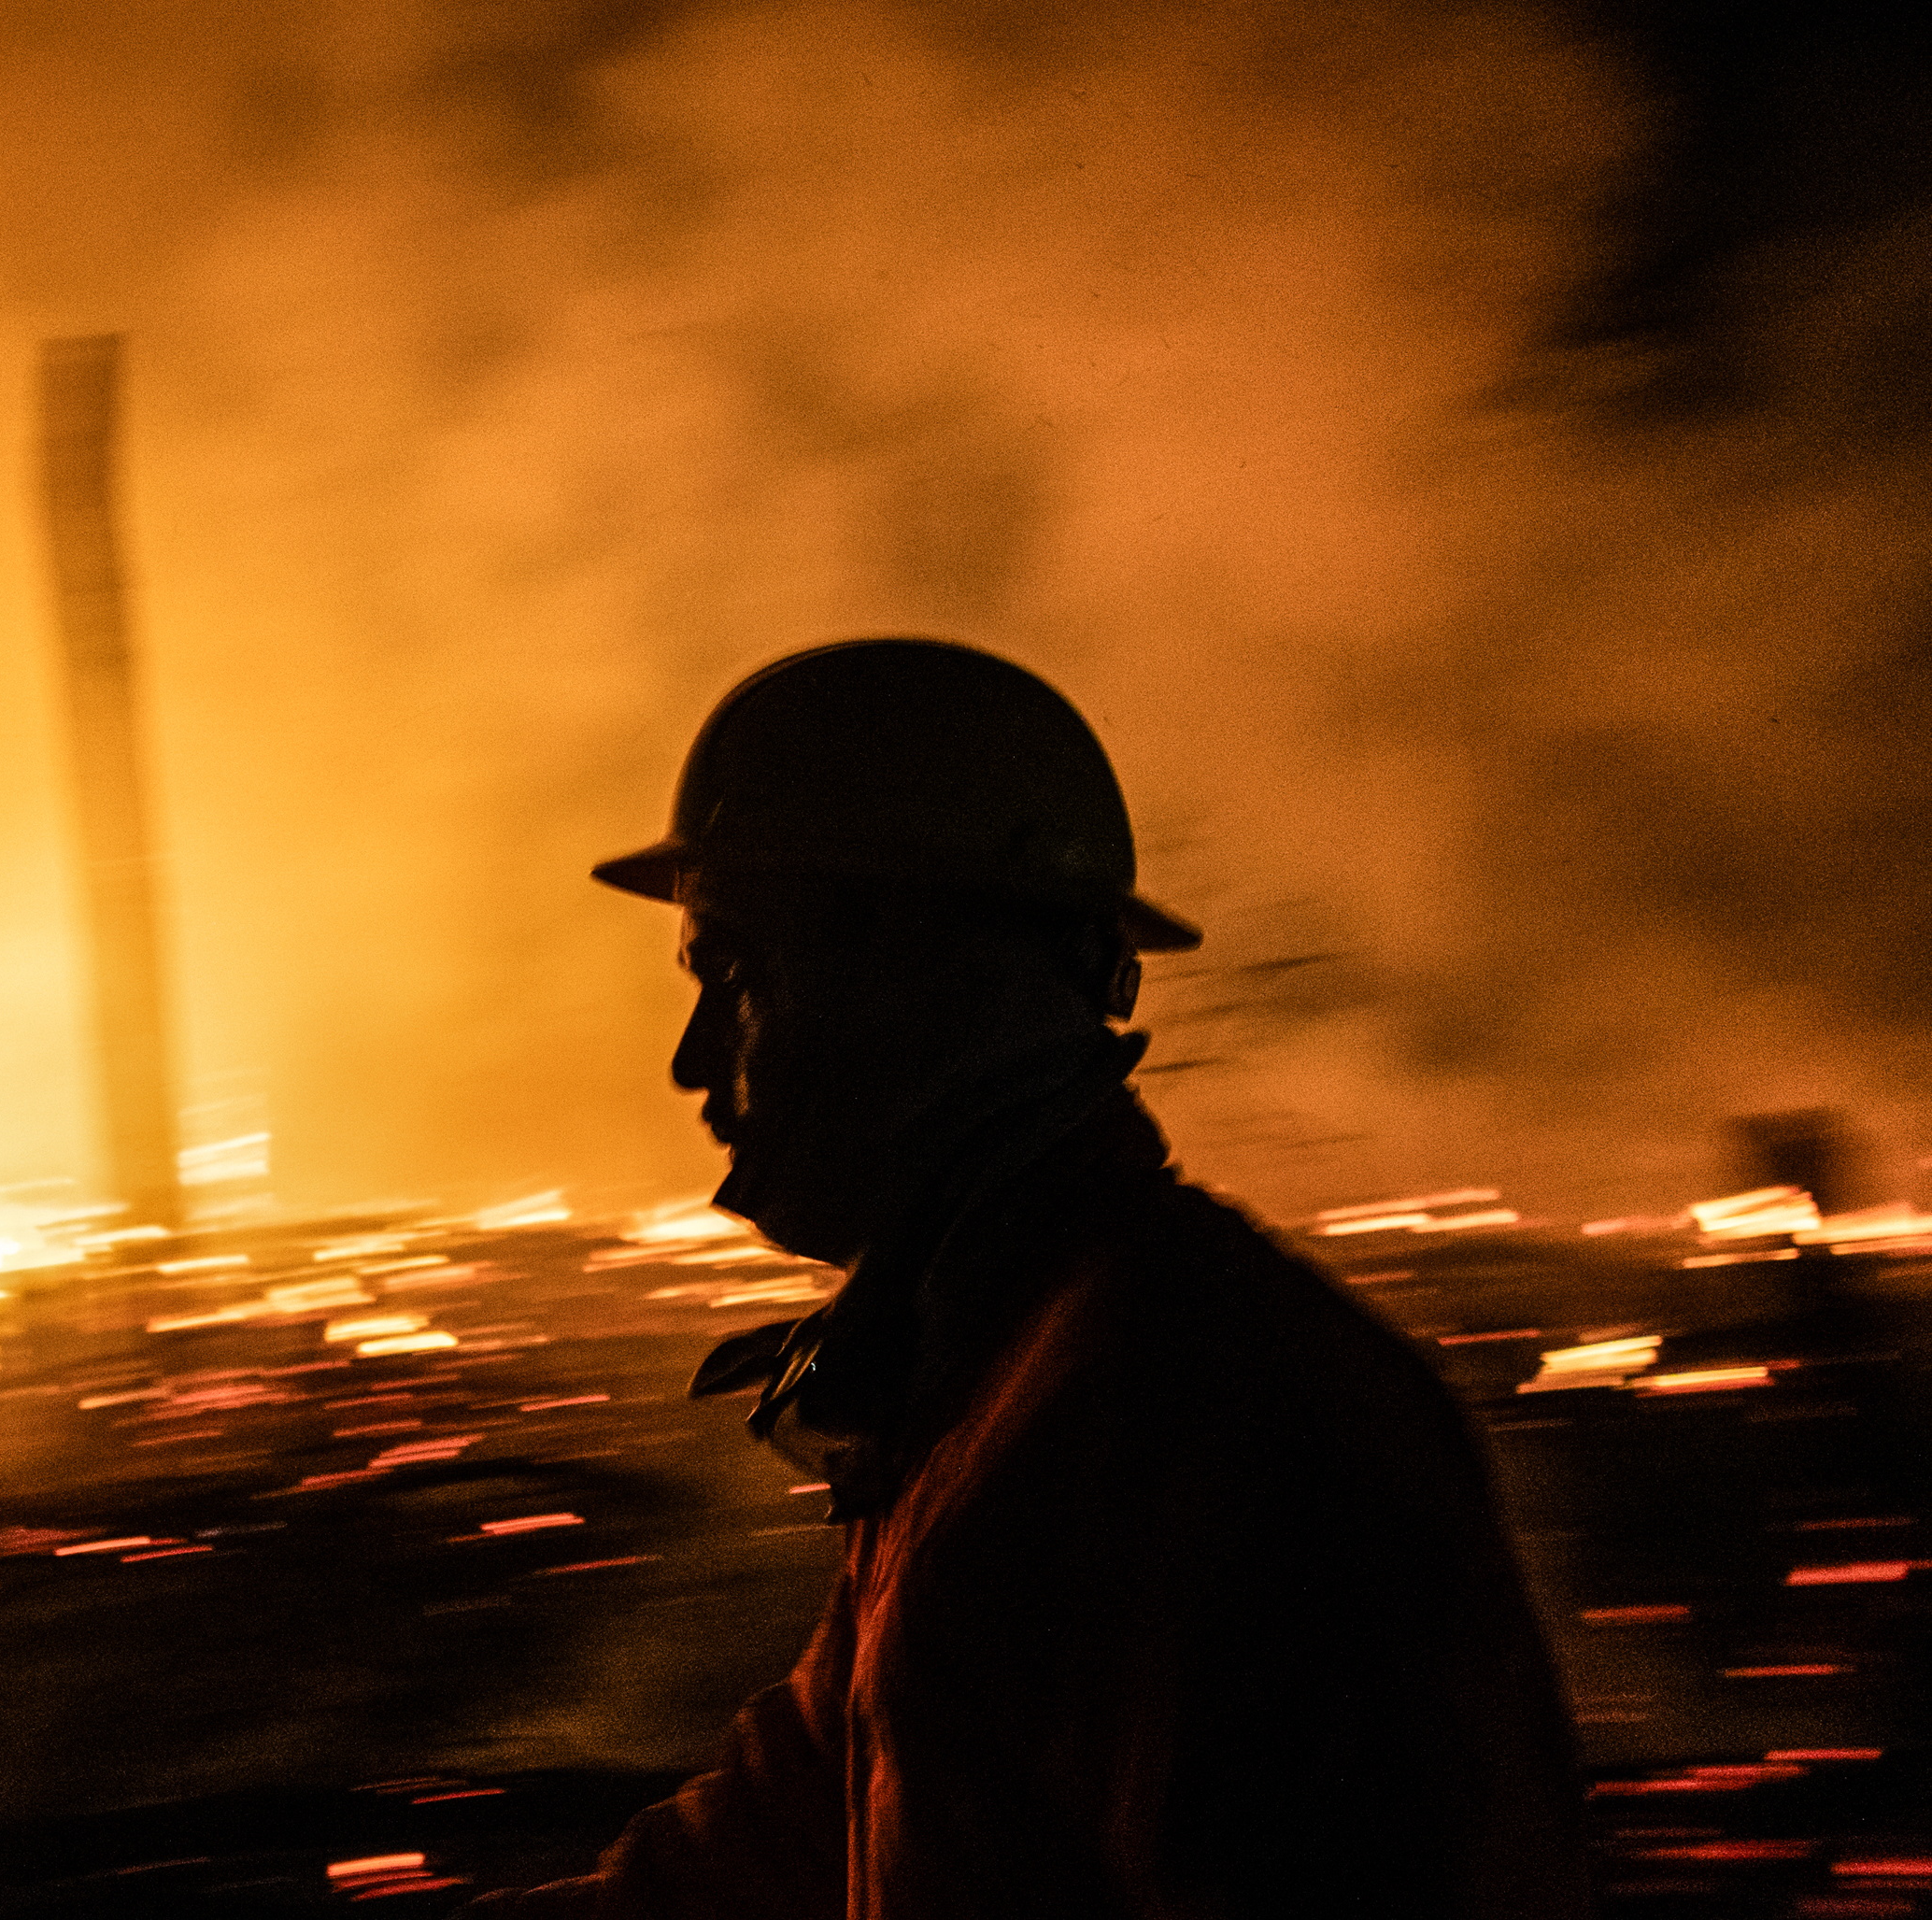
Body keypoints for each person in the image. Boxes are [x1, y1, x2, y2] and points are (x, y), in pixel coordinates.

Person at [467, 639, 1590, 1919]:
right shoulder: (992, 1393)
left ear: (910, 974)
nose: (688, 1060)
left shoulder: (1187, 1423)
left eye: (735, 974)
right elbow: (777, 1835)